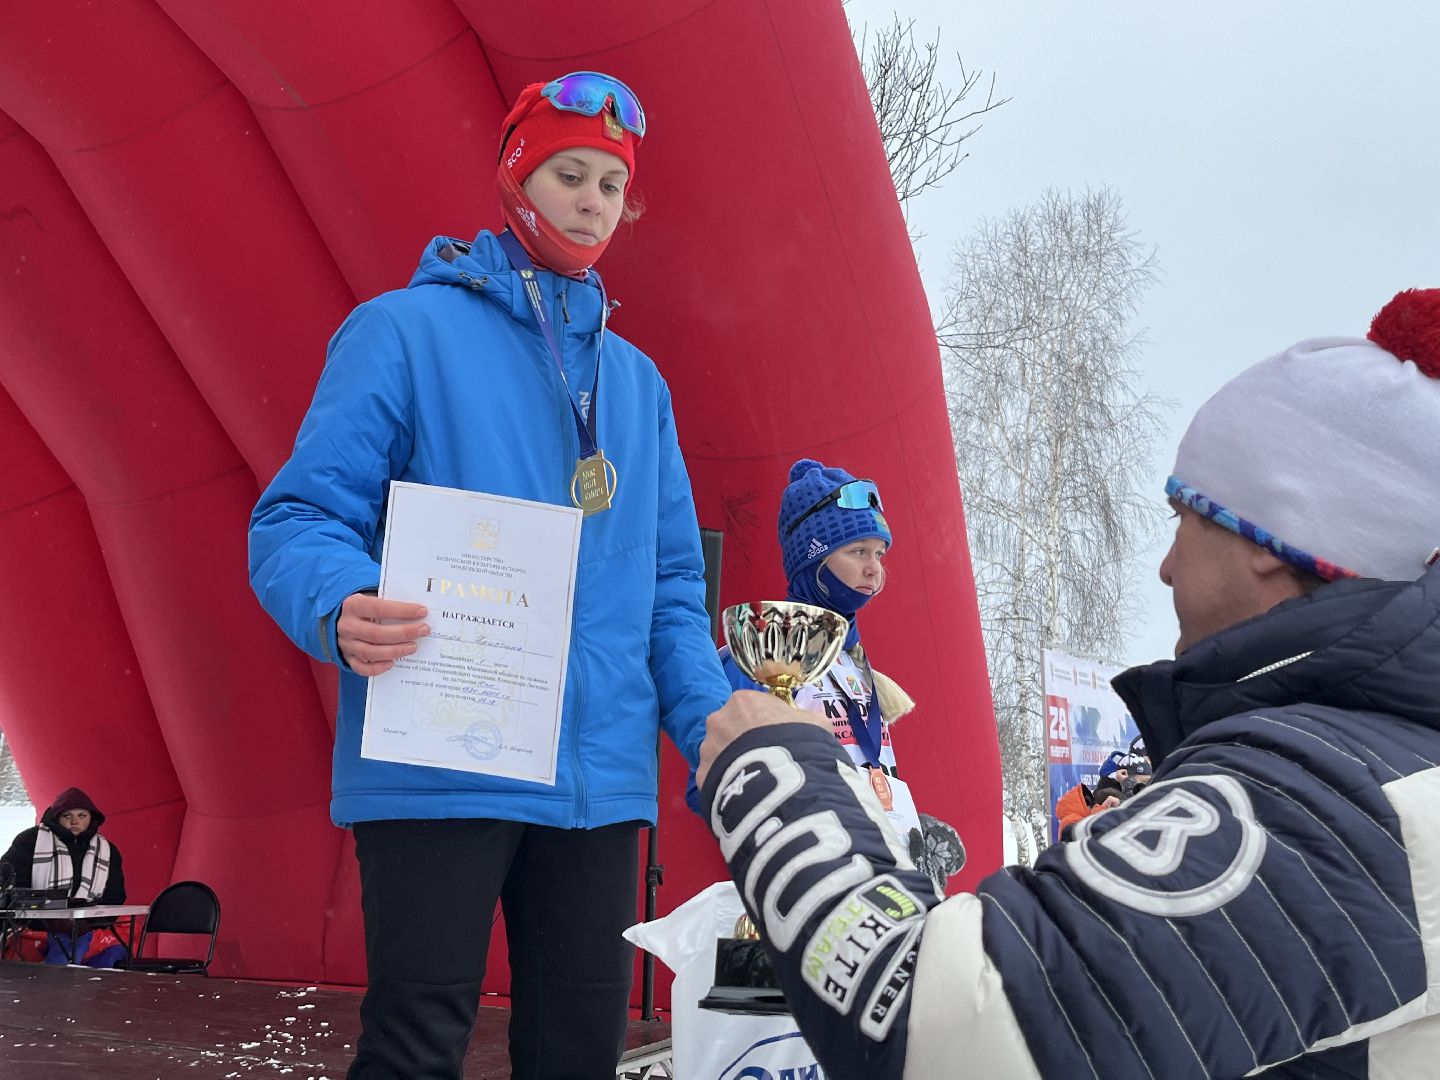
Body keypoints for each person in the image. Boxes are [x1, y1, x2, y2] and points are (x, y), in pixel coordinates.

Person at [694, 288, 1440, 1079]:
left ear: (1269, 539)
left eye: (1184, 516)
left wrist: (773, 776)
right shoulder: (1383, 768)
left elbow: (940, 1028)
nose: (1165, 565)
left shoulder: (1316, 802)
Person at [248, 71, 729, 1080]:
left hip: (598, 785)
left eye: (611, 182)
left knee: (577, 1052)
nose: (593, 199)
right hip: (440, 756)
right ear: (517, 177)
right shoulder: (402, 333)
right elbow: (296, 517)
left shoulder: (639, 387)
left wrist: (714, 725)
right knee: (418, 1040)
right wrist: (339, 602)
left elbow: (674, 592)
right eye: (569, 173)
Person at [710, 458, 963, 888]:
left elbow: (865, 762)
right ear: (815, 558)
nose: (874, 570)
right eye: (858, 551)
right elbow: (720, 785)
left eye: (879, 554)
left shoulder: (855, 662)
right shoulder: (765, 654)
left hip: (880, 874)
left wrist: (906, 825)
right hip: (808, 878)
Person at [0, 787, 128, 967]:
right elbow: (9, 883)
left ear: (92, 817)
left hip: (88, 925)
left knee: (107, 951)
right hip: (34, 924)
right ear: (57, 817)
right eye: (67, 816)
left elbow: (115, 895)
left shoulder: (107, 850)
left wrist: (87, 921)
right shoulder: (29, 841)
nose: (75, 821)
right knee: (69, 945)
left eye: (82, 816)